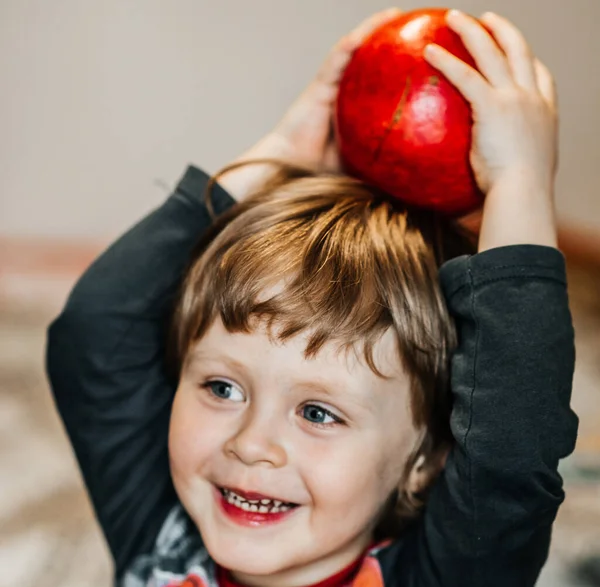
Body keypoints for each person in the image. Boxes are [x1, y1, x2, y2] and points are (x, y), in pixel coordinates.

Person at [45, 8, 578, 587]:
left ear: (425, 462)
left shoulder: (446, 575)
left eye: (318, 412)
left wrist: (519, 185)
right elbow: (95, 334)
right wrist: (284, 153)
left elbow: (511, 447)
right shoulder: (159, 527)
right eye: (222, 387)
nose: (251, 444)